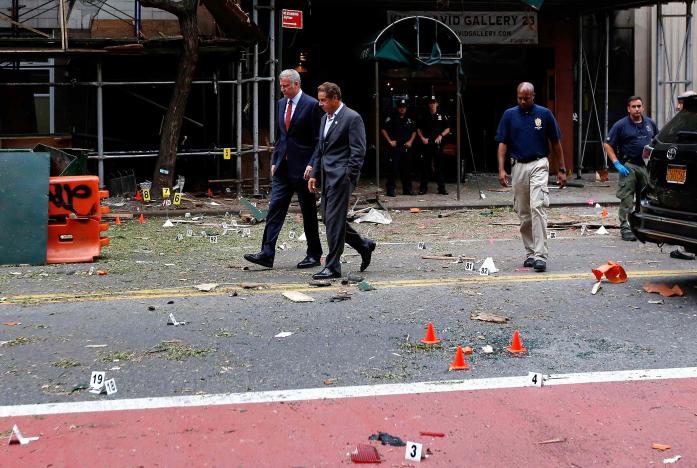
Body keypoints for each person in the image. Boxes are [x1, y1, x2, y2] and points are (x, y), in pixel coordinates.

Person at [243, 69, 323, 269]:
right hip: (283, 167)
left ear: (296, 84)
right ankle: (266, 253)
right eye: (281, 85)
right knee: (275, 208)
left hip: (303, 168)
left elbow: (319, 141)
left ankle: (314, 253)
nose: (282, 89)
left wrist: (313, 165)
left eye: (286, 86)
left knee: (308, 212)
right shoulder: (281, 104)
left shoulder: (312, 105)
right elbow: (281, 137)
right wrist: (275, 160)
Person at [308, 82, 376, 279]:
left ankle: (333, 266)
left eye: (323, 100)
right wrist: (314, 173)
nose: (320, 103)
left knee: (335, 221)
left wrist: (348, 175)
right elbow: (321, 149)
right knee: (329, 218)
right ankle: (363, 245)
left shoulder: (352, 118)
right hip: (327, 176)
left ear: (335, 98)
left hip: (342, 177)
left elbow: (359, 150)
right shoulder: (324, 119)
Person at [496, 82, 567, 273]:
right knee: (524, 212)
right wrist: (501, 169)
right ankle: (530, 253)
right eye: (519, 98)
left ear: (533, 96)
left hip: (539, 163)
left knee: (538, 207)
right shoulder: (509, 115)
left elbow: (556, 142)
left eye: (526, 98)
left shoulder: (544, 114)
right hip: (517, 166)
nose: (522, 101)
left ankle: (540, 256)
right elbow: (502, 144)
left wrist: (561, 169)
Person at [603, 95, 659, 242]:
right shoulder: (621, 125)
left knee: (646, 198)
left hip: (646, 166)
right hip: (629, 166)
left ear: (643, 107)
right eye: (633, 107)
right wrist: (616, 164)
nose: (636, 109)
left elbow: (657, 141)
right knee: (627, 198)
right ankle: (625, 228)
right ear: (628, 109)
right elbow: (607, 144)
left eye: (639, 106)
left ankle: (642, 226)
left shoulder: (650, 124)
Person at [381, 99, 416, 196]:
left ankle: (407, 190)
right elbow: (383, 129)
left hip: (406, 147)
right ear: (397, 108)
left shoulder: (409, 119)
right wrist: (389, 141)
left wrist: (410, 141)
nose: (402, 109)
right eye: (400, 107)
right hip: (395, 148)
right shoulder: (391, 118)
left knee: (406, 169)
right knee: (393, 169)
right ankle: (391, 190)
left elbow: (414, 131)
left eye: (404, 107)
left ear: (406, 108)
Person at [417, 96, 450, 195]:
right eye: (431, 103)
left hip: (437, 145)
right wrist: (422, 138)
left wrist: (441, 135)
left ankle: (441, 188)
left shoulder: (442, 115)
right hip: (427, 144)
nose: (432, 105)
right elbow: (418, 129)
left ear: (437, 104)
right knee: (425, 167)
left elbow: (447, 129)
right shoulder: (424, 115)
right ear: (428, 104)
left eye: (434, 103)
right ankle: (423, 188)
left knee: (439, 167)